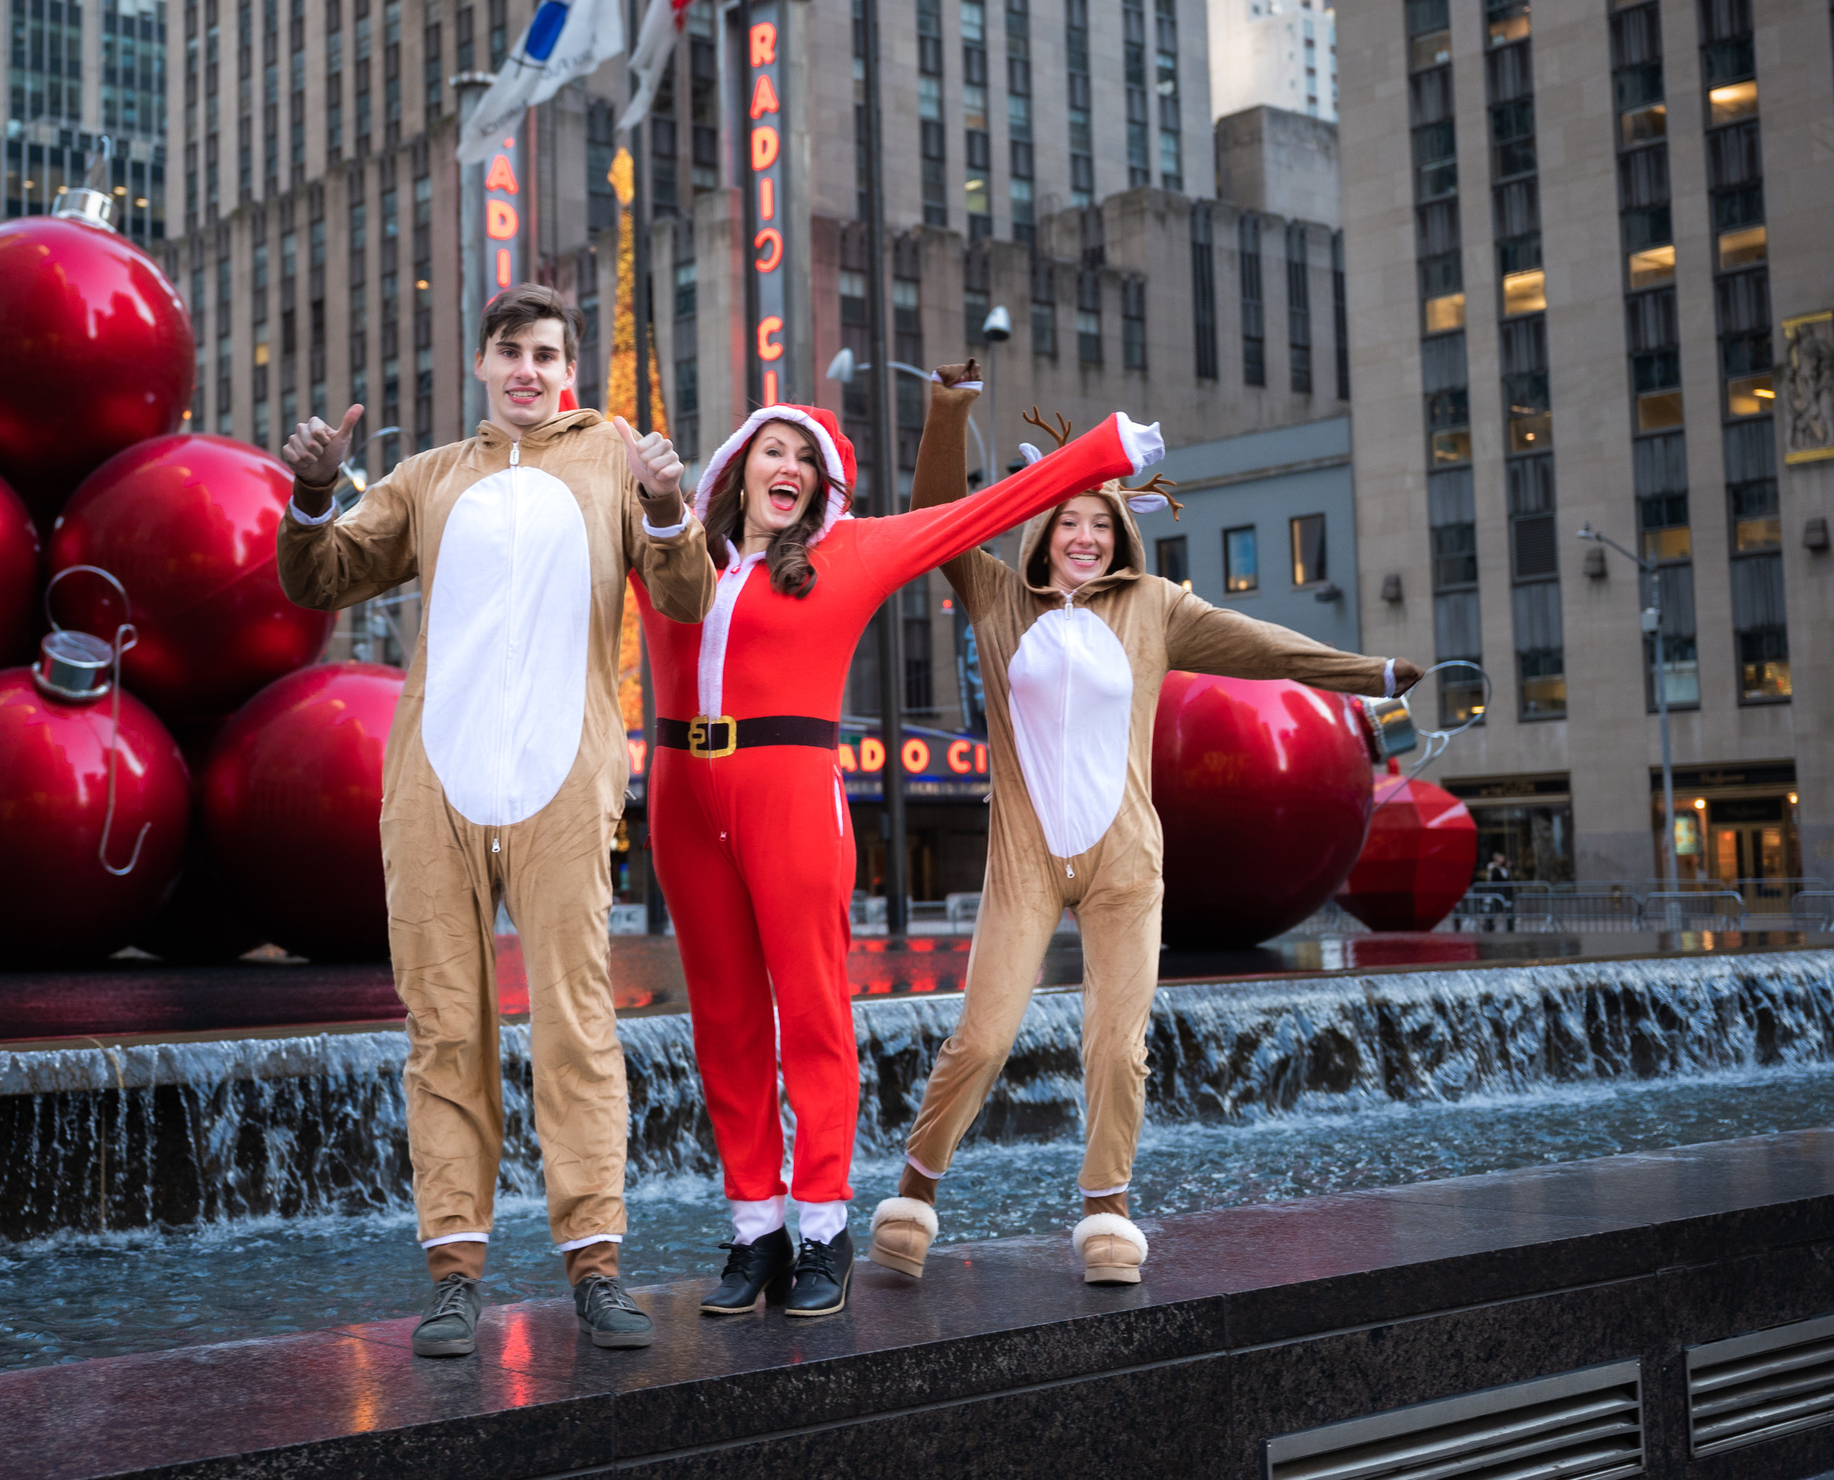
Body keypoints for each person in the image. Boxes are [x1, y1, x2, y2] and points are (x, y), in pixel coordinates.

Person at [866, 368, 1423, 1289]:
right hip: (1026, 859)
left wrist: (1369, 673)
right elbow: (935, 515)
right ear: (1041, 529)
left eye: (1100, 522)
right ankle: (916, 1190)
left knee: (1119, 1045)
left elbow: (1263, 645)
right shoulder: (998, 595)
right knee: (984, 1036)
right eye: (1068, 520)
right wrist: (950, 411)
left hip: (1128, 859)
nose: (1084, 536)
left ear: (1119, 532)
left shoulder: (1154, 608)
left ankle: (1106, 1211)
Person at [635, 397, 1167, 1319]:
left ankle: (820, 1226)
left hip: (790, 789)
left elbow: (989, 511)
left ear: (821, 485)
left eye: (806, 454)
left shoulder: (850, 552)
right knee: (723, 1017)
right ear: (738, 465)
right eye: (773, 448)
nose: (788, 464)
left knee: (808, 1009)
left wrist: (1106, 451)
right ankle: (755, 1225)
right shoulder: (672, 546)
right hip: (682, 795)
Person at [276, 284, 713, 1358]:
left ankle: (597, 1267)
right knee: (444, 1033)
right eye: (509, 350)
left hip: (562, 784)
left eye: (545, 352)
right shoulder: (429, 479)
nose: (526, 368)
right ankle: (455, 1274)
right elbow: (320, 578)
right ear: (480, 364)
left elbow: (687, 597)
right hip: (434, 782)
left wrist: (666, 504)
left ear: (570, 368)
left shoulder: (613, 464)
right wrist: (316, 489)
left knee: (575, 1025)